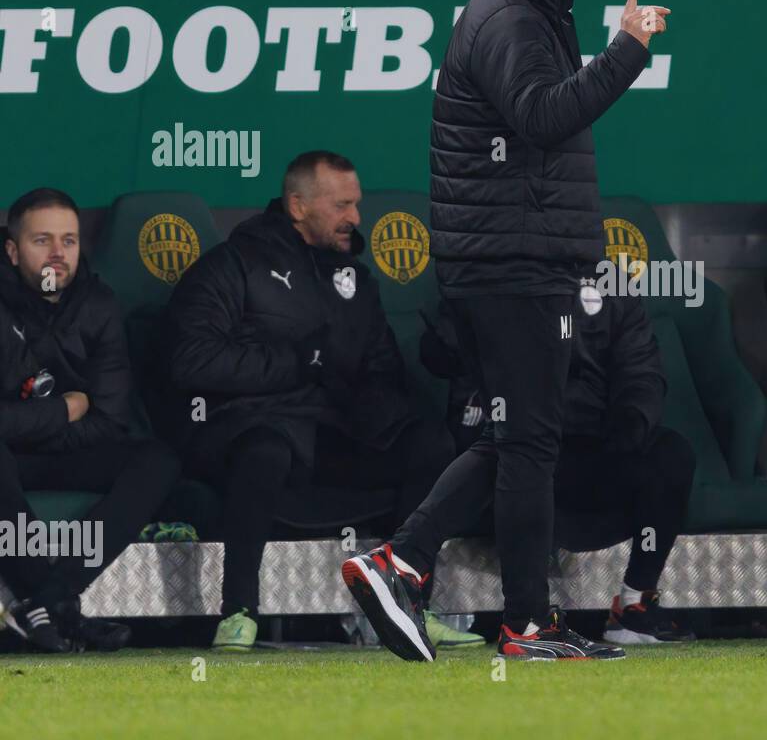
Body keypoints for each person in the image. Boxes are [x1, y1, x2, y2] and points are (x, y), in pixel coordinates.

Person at [398, 0, 669, 660]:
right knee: (528, 441)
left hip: (512, 255)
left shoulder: (527, 10)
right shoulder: (510, 13)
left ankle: (427, 571)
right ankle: (498, 608)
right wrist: (627, 51)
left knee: (519, 438)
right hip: (513, 261)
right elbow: (543, 117)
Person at [166, 150, 454, 652]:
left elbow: (381, 369)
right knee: (267, 448)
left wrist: (375, 406)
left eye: (356, 204)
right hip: (250, 427)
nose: (355, 219)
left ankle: (408, 606)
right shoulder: (234, 264)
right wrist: (296, 362)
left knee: (429, 443)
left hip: (330, 435)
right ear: (298, 207)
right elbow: (191, 361)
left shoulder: (355, 280)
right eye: (342, 205)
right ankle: (237, 610)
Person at [348, 287, 695, 660]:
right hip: (514, 452)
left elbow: (641, 371)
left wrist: (627, 423)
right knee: (510, 442)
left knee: (668, 454)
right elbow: (442, 354)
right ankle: (507, 616)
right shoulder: (506, 276)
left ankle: (626, 607)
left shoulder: (607, 287)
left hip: (590, 450)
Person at [0, 188, 180, 653]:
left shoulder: (99, 303)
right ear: (13, 249)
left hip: (68, 448)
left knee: (157, 459)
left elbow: (112, 417)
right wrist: (64, 409)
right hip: (11, 456)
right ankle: (55, 609)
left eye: (70, 241)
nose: (58, 254)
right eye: (43, 240)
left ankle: (53, 599)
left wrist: (47, 424)